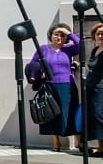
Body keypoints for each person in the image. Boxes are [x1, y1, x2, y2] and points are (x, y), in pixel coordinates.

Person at [26, 23, 81, 151]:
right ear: (51, 35)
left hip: (67, 86)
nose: (59, 37)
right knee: (52, 112)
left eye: (62, 35)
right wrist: (40, 72)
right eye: (56, 34)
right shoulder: (43, 49)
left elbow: (81, 45)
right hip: (49, 85)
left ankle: (80, 142)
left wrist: (69, 33)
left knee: (71, 112)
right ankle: (56, 142)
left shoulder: (68, 49)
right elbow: (33, 64)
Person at [85, 22, 103, 156]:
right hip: (91, 89)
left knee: (100, 116)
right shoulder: (94, 50)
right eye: (98, 33)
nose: (100, 36)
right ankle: (101, 147)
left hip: (101, 89)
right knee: (95, 118)